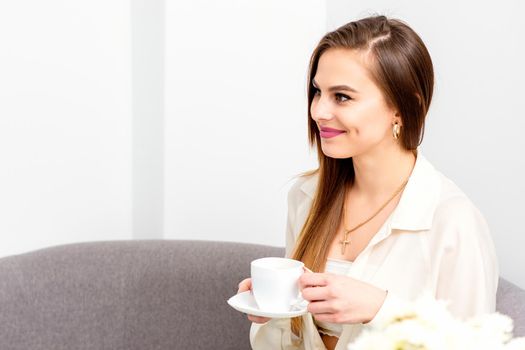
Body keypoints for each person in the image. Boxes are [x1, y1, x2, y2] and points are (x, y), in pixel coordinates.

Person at [236, 15, 499, 350]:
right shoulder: (306, 197)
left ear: (403, 107)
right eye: (318, 92)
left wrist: (381, 309)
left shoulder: (453, 221)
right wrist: (271, 311)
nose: (318, 111)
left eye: (342, 96)